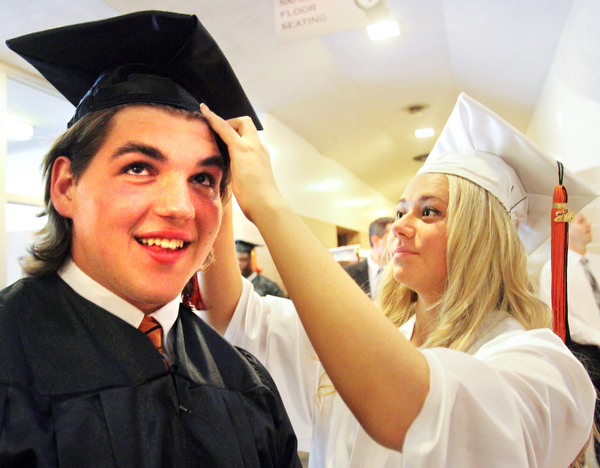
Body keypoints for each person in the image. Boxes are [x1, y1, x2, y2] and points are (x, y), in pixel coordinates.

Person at [196, 92, 598, 467]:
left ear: (482, 237)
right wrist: (220, 187)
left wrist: (269, 203)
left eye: (429, 213)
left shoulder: (542, 366)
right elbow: (232, 311)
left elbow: (412, 412)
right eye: (401, 211)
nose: (400, 228)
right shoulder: (375, 331)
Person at [0, 11, 301, 467]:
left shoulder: (245, 378)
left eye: (203, 178)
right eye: (139, 168)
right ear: (65, 186)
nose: (180, 207)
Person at [540, 212, 600, 464]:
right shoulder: (554, 269)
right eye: (581, 221)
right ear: (564, 228)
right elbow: (562, 320)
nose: (588, 225)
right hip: (587, 355)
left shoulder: (596, 262)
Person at [344, 216, 394, 299]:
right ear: (376, 240)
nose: (398, 242)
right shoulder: (348, 274)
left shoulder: (402, 273)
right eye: (393, 236)